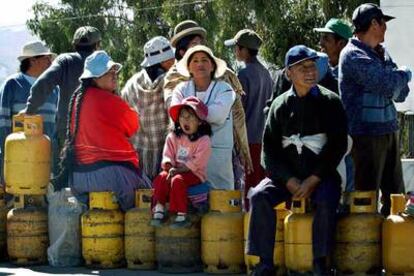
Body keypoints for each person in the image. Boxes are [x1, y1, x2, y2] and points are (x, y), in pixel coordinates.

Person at [247, 45, 348, 275]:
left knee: (327, 198)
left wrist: (313, 179)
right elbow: (269, 151)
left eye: (312, 66)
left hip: (320, 176)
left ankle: (321, 262)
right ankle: (264, 262)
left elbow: (337, 145)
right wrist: (289, 180)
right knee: (259, 195)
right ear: (288, 73)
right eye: (302, 67)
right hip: (287, 177)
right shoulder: (279, 105)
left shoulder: (331, 102)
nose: (310, 71)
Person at [339, 3, 412, 216]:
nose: (385, 29)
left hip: (388, 132)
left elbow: (401, 93)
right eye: (383, 23)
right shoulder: (352, 55)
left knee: (396, 198)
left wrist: (394, 81)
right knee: (365, 199)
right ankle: (366, 247)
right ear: (373, 24)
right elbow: (389, 85)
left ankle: (393, 245)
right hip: (365, 138)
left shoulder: (382, 53)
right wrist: (405, 74)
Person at [56, 51, 151, 211]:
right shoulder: (108, 100)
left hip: (79, 179)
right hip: (111, 177)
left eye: (114, 71)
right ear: (94, 78)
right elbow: (133, 125)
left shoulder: (78, 99)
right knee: (149, 198)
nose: (114, 75)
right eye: (107, 72)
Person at [164, 20, 253, 185]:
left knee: (223, 201)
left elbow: (236, 115)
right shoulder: (174, 79)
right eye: (193, 44)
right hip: (187, 157)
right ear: (182, 50)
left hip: (221, 155)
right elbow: (174, 113)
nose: (198, 49)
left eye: (200, 43)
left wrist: (243, 150)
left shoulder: (224, 76)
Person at [20, 26, 101, 187]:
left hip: (67, 134)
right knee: (94, 182)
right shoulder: (102, 63)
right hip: (97, 136)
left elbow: (43, 83)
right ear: (97, 45)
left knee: (63, 182)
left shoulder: (65, 60)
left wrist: (30, 110)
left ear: (74, 45)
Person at [171, 45, 236, 190]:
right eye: (195, 61)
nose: (200, 64)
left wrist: (188, 114)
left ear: (212, 66)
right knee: (188, 201)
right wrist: (197, 113)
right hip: (188, 158)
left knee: (221, 204)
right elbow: (176, 116)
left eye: (204, 60)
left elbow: (217, 115)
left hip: (217, 159)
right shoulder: (181, 89)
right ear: (189, 68)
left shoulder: (225, 89)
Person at [224, 29, 273, 210]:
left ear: (244, 50)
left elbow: (237, 109)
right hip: (263, 138)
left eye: (237, 48)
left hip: (247, 140)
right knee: (262, 185)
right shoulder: (266, 73)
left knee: (249, 189)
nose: (235, 51)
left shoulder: (243, 74)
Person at [0, 41, 58, 181]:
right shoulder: (12, 84)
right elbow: (3, 122)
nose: (50, 62)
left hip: (45, 161)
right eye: (46, 58)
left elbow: (56, 125)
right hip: (17, 160)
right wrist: (7, 155)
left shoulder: (54, 89)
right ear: (32, 60)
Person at [152, 96, 212, 228]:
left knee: (177, 180)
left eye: (190, 116)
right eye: (182, 116)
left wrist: (177, 171)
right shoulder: (173, 137)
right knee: (161, 177)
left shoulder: (204, 141)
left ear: (200, 121)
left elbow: (196, 163)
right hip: (174, 171)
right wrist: (168, 166)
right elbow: (167, 155)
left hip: (195, 174)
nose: (186, 120)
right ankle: (159, 208)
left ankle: (181, 214)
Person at [121, 36, 175, 180]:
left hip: (138, 158)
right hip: (167, 157)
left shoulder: (131, 84)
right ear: (164, 61)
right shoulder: (172, 83)